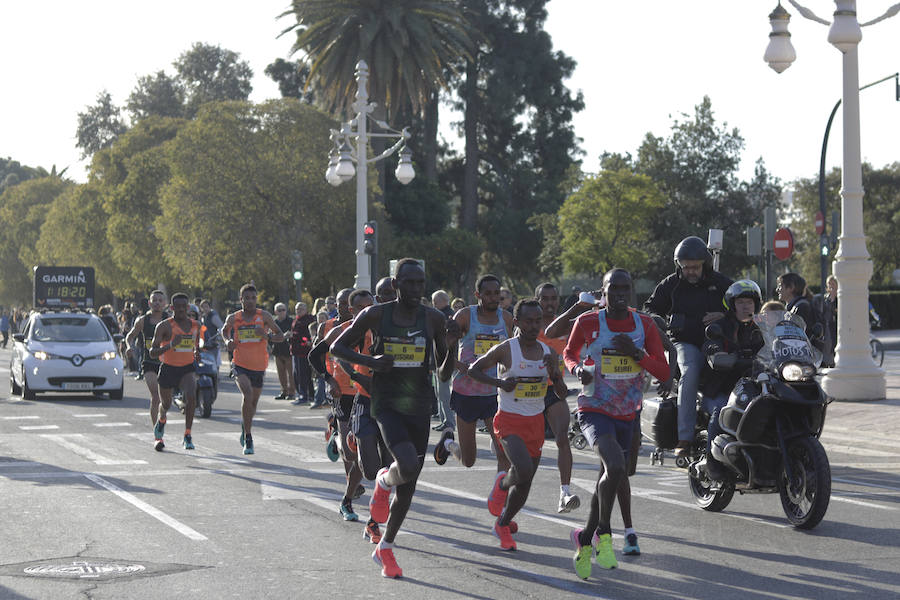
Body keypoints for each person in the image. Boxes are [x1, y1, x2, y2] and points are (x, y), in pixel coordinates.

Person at [330, 259, 450, 579]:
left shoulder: (434, 319)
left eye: (420, 283)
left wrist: (452, 348)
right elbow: (337, 347)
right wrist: (371, 361)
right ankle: (383, 482)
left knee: (409, 485)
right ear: (395, 286)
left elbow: (443, 368)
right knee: (407, 465)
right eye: (408, 283)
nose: (415, 289)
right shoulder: (376, 314)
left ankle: (386, 545)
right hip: (385, 404)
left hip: (419, 405)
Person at [566, 269, 669, 578]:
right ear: (604, 291)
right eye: (614, 289)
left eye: (626, 288)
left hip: (628, 413)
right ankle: (606, 535)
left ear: (632, 292)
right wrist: (577, 370)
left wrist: (637, 354)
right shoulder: (588, 322)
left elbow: (664, 373)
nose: (621, 294)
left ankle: (584, 539)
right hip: (594, 408)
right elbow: (569, 353)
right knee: (615, 466)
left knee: (611, 476)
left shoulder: (645, 325)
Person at [467, 299, 567, 550]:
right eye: (528, 321)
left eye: (538, 321)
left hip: (535, 422)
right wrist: (501, 385)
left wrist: (555, 374)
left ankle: (503, 523)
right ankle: (502, 484)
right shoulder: (506, 350)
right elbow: (473, 370)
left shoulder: (548, 353)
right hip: (509, 421)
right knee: (521, 470)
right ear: (518, 322)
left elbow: (562, 392)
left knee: (526, 482)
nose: (534, 326)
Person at [644, 236, 732, 457]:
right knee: (690, 372)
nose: (690, 271)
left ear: (705, 264)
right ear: (679, 266)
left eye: (695, 267)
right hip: (684, 343)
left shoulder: (720, 283)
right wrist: (658, 321)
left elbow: (742, 303)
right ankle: (684, 437)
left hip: (716, 344)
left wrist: (723, 315)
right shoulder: (671, 285)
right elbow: (649, 309)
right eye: (686, 267)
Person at [435, 275, 514, 480]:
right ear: (478, 294)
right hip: (466, 393)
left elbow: (513, 350)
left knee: (503, 453)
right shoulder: (465, 316)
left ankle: (500, 498)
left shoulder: (505, 319)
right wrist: (462, 366)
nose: (493, 297)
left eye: (496, 293)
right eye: (487, 293)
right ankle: (448, 444)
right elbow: (442, 352)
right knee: (469, 460)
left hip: (495, 394)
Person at [308, 288, 368, 521]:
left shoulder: (376, 329)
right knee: (350, 450)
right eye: (341, 303)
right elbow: (315, 355)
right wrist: (328, 378)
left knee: (365, 447)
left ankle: (351, 489)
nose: (342, 307)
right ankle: (338, 439)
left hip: (368, 392)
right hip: (342, 390)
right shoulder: (334, 329)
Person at [699, 280, 764, 481]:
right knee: (721, 412)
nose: (746, 306)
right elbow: (711, 346)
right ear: (732, 304)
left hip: (753, 387)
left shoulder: (761, 327)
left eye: (750, 302)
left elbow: (776, 345)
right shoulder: (721, 326)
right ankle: (711, 463)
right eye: (742, 302)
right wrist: (717, 353)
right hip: (723, 388)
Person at [220, 284, 285, 455]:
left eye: (253, 298)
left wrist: (266, 335)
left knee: (253, 403)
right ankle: (248, 437)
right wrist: (227, 342)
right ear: (240, 299)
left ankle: (245, 424)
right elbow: (224, 331)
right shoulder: (234, 318)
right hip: (240, 363)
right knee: (247, 394)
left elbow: (280, 336)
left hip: (259, 365)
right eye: (246, 298)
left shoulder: (264, 316)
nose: (250, 301)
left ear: (256, 299)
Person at [533, 283, 580, 513]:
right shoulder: (528, 324)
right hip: (528, 390)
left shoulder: (567, 326)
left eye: (553, 298)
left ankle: (564, 492)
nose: (549, 303)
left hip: (555, 388)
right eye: (545, 299)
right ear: (537, 299)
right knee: (529, 447)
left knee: (562, 437)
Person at [147, 293, 201, 451]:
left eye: (184, 307)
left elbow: (196, 343)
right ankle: (161, 421)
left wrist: (197, 352)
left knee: (191, 396)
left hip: (187, 368)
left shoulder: (195, 325)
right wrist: (170, 344)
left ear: (188, 307)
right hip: (168, 368)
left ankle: (187, 435)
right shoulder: (164, 326)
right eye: (177, 307)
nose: (181, 310)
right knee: (166, 404)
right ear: (171, 308)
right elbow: (152, 352)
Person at [125, 291, 169, 428]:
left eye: (160, 300)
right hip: (149, 362)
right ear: (149, 303)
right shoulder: (142, 320)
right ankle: (156, 429)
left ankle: (161, 420)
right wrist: (129, 346)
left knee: (166, 401)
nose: (157, 302)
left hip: (166, 363)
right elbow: (130, 336)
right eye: (154, 300)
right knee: (155, 396)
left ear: (165, 304)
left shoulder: (170, 320)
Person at [431, 290, 455, 432]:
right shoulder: (441, 315)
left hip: (443, 360)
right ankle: (444, 419)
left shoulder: (446, 316)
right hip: (439, 360)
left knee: (444, 393)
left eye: (435, 302)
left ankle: (448, 422)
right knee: (440, 392)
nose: (433, 304)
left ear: (443, 301)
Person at [289, 302, 315, 405]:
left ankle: (305, 396)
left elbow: (306, 336)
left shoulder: (308, 320)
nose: (299, 310)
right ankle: (304, 395)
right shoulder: (296, 320)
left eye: (301, 308)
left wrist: (294, 336)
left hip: (303, 352)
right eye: (297, 309)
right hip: (295, 351)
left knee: (303, 375)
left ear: (306, 309)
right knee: (297, 375)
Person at [271, 302, 295, 400]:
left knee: (291, 374)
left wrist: (289, 335)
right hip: (277, 350)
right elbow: (269, 335)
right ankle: (283, 392)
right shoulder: (273, 322)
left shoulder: (291, 321)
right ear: (275, 312)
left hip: (288, 351)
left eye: (283, 309)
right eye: (279, 310)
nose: (281, 312)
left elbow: (294, 333)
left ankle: (291, 393)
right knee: (281, 374)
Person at [199, 300, 224, 372]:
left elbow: (221, 327)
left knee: (215, 362)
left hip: (213, 343)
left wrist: (218, 337)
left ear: (209, 307)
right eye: (203, 307)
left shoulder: (213, 316)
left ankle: (216, 377)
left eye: (206, 306)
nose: (205, 309)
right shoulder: (203, 317)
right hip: (205, 343)